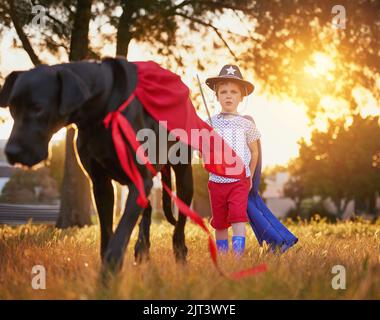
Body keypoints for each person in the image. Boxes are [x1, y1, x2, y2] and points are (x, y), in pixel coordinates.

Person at [205, 64, 260, 256]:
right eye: (224, 92)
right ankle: (223, 256)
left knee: (238, 218)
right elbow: (202, 149)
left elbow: (254, 152)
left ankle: (237, 258)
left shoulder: (247, 124)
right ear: (217, 96)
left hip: (239, 181)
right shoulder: (209, 123)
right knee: (219, 222)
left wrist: (250, 175)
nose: (228, 96)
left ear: (241, 96)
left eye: (234, 92)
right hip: (216, 181)